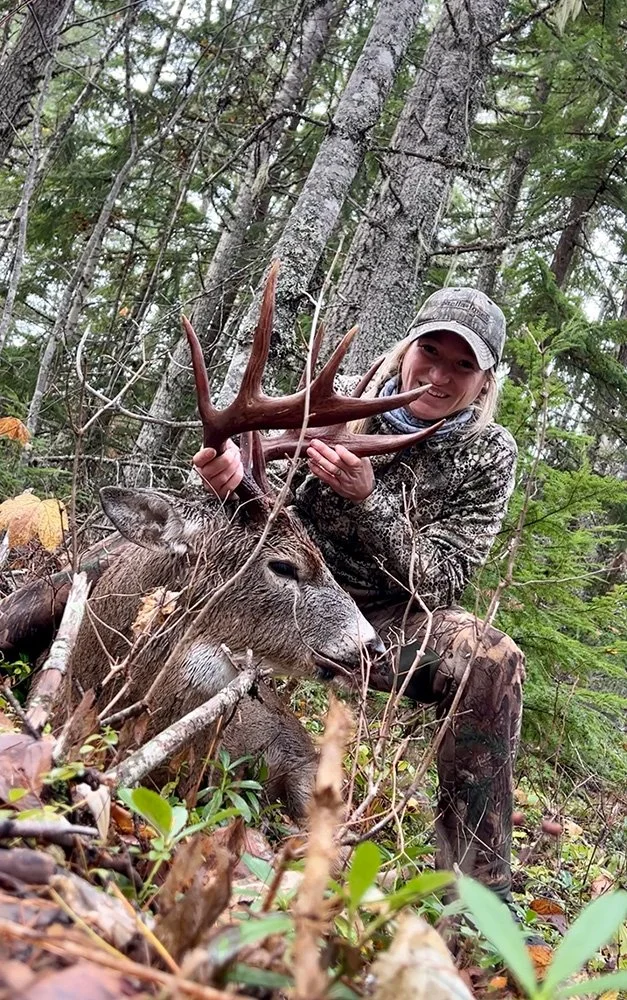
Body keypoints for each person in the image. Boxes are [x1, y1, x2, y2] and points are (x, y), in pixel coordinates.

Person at [193, 287, 525, 913]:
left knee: (491, 660)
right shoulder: (333, 400)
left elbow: (443, 577)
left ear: (484, 383)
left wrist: (370, 505)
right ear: (408, 346)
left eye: (464, 365)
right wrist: (232, 482)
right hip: (283, 594)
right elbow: (264, 514)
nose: (439, 374)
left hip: (381, 620)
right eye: (432, 350)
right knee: (131, 573)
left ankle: (479, 895)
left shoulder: (487, 452)